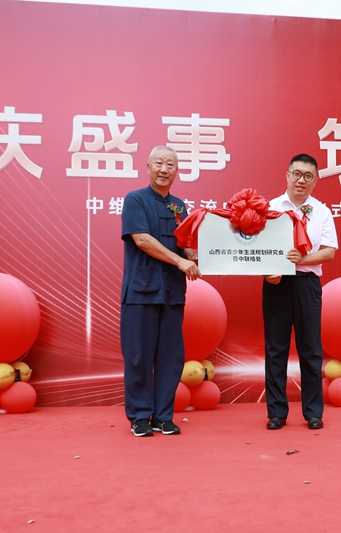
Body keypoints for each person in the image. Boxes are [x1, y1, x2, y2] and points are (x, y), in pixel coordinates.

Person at [120, 146, 200, 437]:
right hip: (141, 292)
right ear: (148, 167)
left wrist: (197, 257)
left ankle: (163, 416)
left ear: (177, 171)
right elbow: (142, 240)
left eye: (170, 165)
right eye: (159, 163)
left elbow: (186, 245)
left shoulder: (179, 206)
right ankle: (140, 416)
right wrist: (180, 261)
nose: (164, 169)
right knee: (138, 356)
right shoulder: (135, 200)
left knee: (170, 357)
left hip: (172, 292)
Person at [263, 153, 338, 430]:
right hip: (276, 283)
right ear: (287, 176)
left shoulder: (322, 211)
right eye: (296, 174)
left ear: (315, 180)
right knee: (275, 349)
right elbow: (258, 248)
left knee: (310, 349)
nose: (301, 180)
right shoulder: (270, 208)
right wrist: (267, 271)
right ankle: (276, 413)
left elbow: (328, 252)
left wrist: (302, 259)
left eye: (308, 176)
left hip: (307, 284)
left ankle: (313, 412)